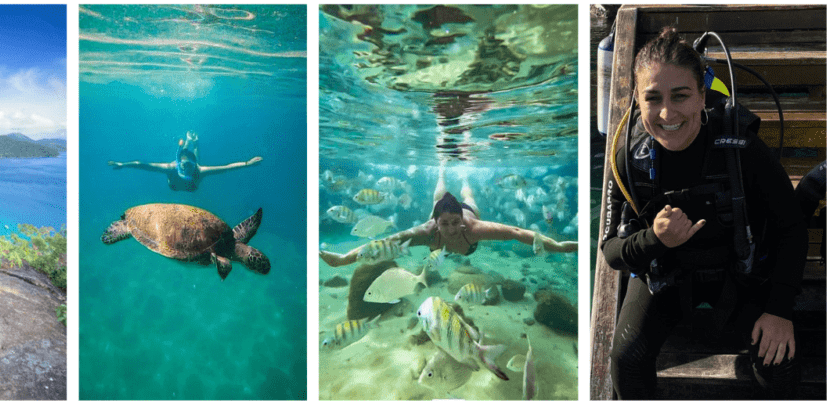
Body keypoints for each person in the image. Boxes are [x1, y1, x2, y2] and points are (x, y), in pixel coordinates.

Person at [601, 27, 806, 399]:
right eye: (652, 99)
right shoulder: (629, 157)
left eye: (680, 96)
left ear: (701, 96)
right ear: (637, 100)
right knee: (625, 360)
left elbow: (790, 226)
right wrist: (655, 239)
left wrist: (779, 309)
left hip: (740, 274)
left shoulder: (740, 147)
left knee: (782, 361)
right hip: (666, 279)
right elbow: (612, 251)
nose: (667, 113)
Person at [319, 166, 577, 267]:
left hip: (468, 211)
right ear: (436, 221)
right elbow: (383, 242)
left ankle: (465, 177)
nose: (453, 229)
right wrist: (345, 258)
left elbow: (518, 233)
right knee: (438, 195)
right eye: (446, 224)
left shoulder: (471, 226)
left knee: (469, 197)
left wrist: (557, 246)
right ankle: (441, 172)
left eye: (455, 223)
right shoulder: (426, 231)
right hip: (438, 212)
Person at [107, 131, 263, 192]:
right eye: (183, 164)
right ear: (178, 163)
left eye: (189, 165)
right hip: (175, 184)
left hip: (192, 184)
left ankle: (194, 142)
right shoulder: (170, 167)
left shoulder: (199, 170)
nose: (186, 167)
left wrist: (247, 164)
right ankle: (190, 141)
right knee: (188, 155)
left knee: (195, 157)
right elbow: (143, 165)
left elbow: (226, 168)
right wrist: (123, 164)